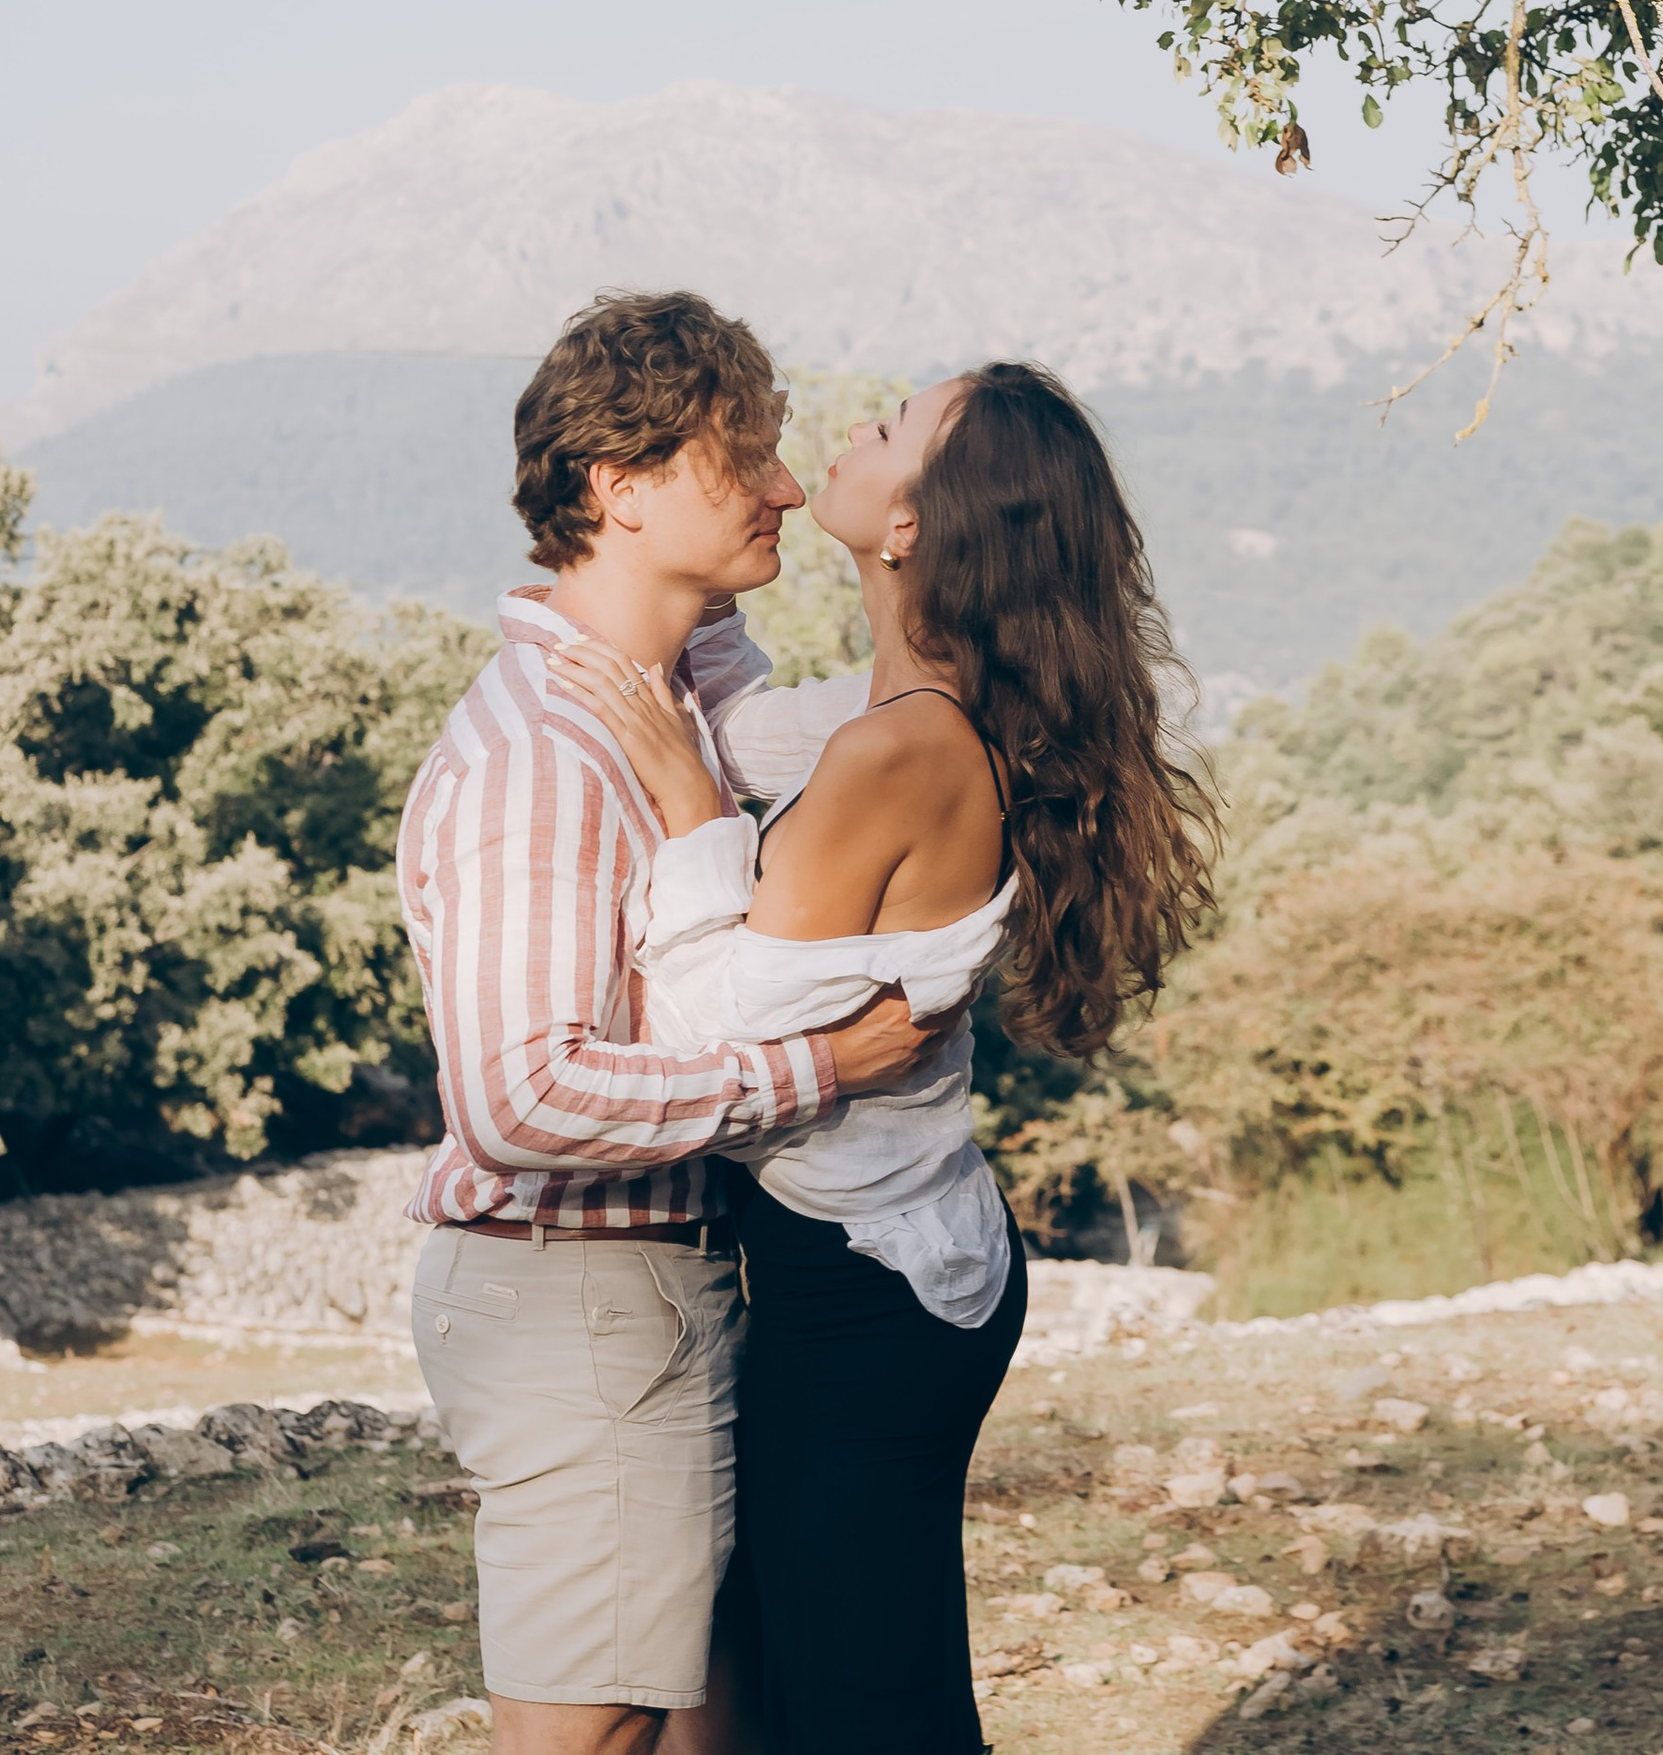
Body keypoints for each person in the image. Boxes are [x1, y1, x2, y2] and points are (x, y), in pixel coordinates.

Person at [555, 359, 1218, 1755]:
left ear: (916, 521)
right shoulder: (900, 708)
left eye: (890, 425)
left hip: (867, 1299)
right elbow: (745, 729)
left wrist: (684, 811)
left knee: (865, 1708)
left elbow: (712, 1029)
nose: (846, 433)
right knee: (809, 1673)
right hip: (889, 1269)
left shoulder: (905, 748)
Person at [396, 291, 944, 1755]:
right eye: (742, 455)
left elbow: (852, 728)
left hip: (638, 1289)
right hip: (575, 1294)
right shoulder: (547, 756)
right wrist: (812, 1069)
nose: (780, 482)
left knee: (705, 1727)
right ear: (620, 489)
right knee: (602, 1735)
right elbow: (519, 1098)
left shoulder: (669, 686)